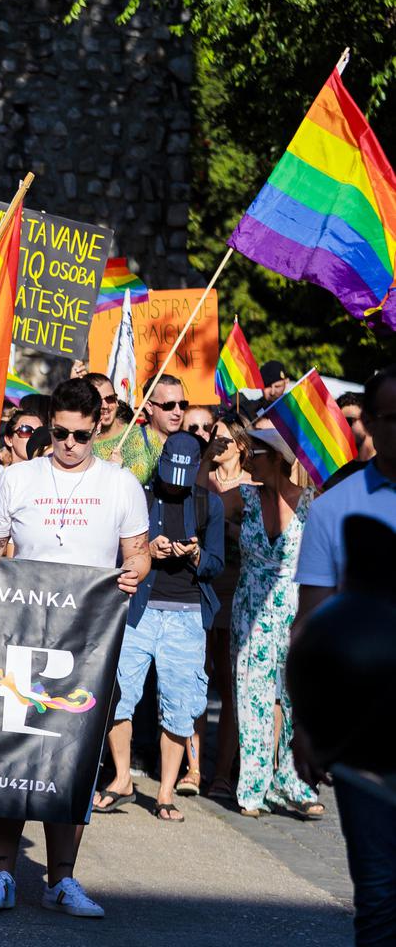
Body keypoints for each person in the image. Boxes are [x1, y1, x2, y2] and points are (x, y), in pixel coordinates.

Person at [0, 377, 150, 919]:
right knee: (9, 752)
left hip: (88, 642)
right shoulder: (16, 477)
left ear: (99, 425)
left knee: (69, 759)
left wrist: (132, 575)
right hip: (18, 636)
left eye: (78, 434)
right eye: (58, 433)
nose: (68, 444)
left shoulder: (121, 483)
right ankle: (1, 872)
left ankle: (62, 879)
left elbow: (137, 555)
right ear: (49, 425)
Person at [295, 365, 396, 943]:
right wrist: (306, 723)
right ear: (374, 426)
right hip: (364, 737)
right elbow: (310, 621)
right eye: (393, 418)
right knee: (380, 896)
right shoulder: (337, 509)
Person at [92, 432, 225, 822]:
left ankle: (165, 792)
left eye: (182, 480)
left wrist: (197, 552)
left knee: (179, 704)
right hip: (139, 609)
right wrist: (148, 551)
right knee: (119, 692)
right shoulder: (142, 495)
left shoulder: (208, 503)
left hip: (187, 615)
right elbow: (118, 549)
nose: (174, 485)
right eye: (169, 477)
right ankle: (121, 779)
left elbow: (217, 563)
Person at [231, 425, 322, 820]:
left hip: (294, 609)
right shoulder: (244, 497)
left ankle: (294, 783)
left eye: (258, 453)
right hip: (250, 607)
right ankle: (252, 788)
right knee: (252, 696)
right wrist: (208, 455)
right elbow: (199, 496)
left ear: (278, 459)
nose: (249, 458)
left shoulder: (310, 503)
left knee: (296, 697)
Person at [195, 414, 252, 798]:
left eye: (224, 440)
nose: (216, 445)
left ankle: (222, 774)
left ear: (242, 448)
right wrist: (203, 462)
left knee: (230, 687)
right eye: (212, 438)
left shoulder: (251, 487)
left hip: (236, 590)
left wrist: (227, 529)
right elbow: (191, 507)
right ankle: (192, 768)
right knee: (199, 678)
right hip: (201, 588)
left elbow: (257, 538)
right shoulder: (206, 478)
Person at [87, 371, 155, 485]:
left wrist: (121, 471)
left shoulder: (144, 437)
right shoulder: (74, 442)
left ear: (117, 401)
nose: (105, 406)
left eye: (110, 399)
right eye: (97, 400)